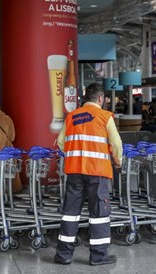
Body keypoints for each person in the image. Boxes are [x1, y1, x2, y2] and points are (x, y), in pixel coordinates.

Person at [54, 83, 123, 266]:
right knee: (99, 213)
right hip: (97, 172)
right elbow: (116, 144)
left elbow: (60, 142)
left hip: (75, 171)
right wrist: (118, 161)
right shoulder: (104, 116)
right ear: (100, 99)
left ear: (86, 98)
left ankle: (63, 254)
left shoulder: (72, 116)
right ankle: (99, 256)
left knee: (70, 212)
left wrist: (74, 153)